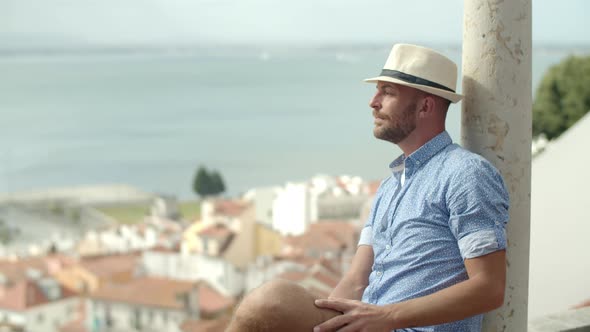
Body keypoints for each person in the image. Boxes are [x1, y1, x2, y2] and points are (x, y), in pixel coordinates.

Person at [226, 44, 509, 332]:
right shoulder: (390, 188)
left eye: (388, 92)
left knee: (271, 300)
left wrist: (389, 317)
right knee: (271, 309)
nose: (373, 102)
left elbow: (489, 287)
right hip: (372, 326)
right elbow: (356, 280)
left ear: (425, 106)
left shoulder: (465, 174)